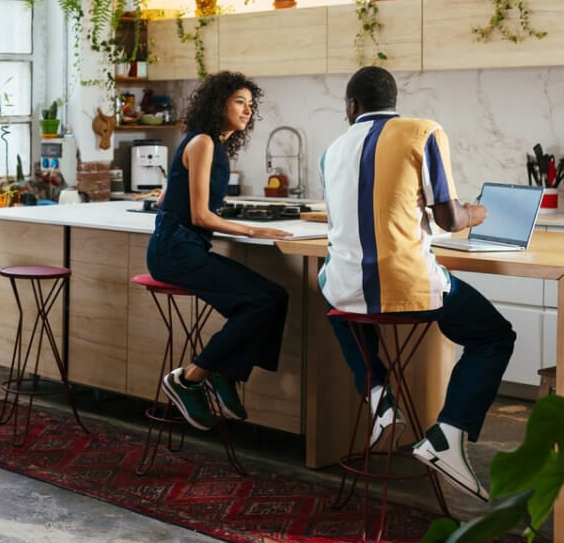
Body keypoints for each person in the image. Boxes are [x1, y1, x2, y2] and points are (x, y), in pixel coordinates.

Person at [319, 66, 514, 500]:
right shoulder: (423, 131)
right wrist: (476, 212)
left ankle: (377, 393)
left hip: (345, 290)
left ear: (352, 107)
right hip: (410, 289)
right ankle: (447, 434)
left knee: (336, 303)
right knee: (495, 336)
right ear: (394, 101)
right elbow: (448, 218)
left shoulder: (331, 151)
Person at [146, 71, 292, 431]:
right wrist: (253, 229)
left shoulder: (207, 144)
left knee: (276, 296)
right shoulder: (203, 143)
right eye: (239, 101)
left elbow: (169, 195)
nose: (247, 110)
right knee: (259, 302)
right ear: (219, 103)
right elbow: (199, 215)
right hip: (175, 252)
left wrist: (167, 195)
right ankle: (190, 378)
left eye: (250, 104)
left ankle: (225, 373)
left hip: (184, 247)